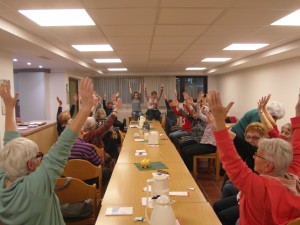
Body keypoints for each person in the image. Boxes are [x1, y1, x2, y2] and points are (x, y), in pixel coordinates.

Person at [0, 77, 95, 225]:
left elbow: (9, 144)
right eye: (38, 155)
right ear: (30, 164)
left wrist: (9, 108)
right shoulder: (36, 185)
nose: (42, 158)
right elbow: (63, 145)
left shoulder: (4, 175)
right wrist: (85, 109)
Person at [207, 91, 300, 225]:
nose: (254, 156)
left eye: (257, 155)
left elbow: (232, 162)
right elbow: (297, 147)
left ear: (268, 166)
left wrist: (220, 124)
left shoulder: (260, 188)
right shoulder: (294, 174)